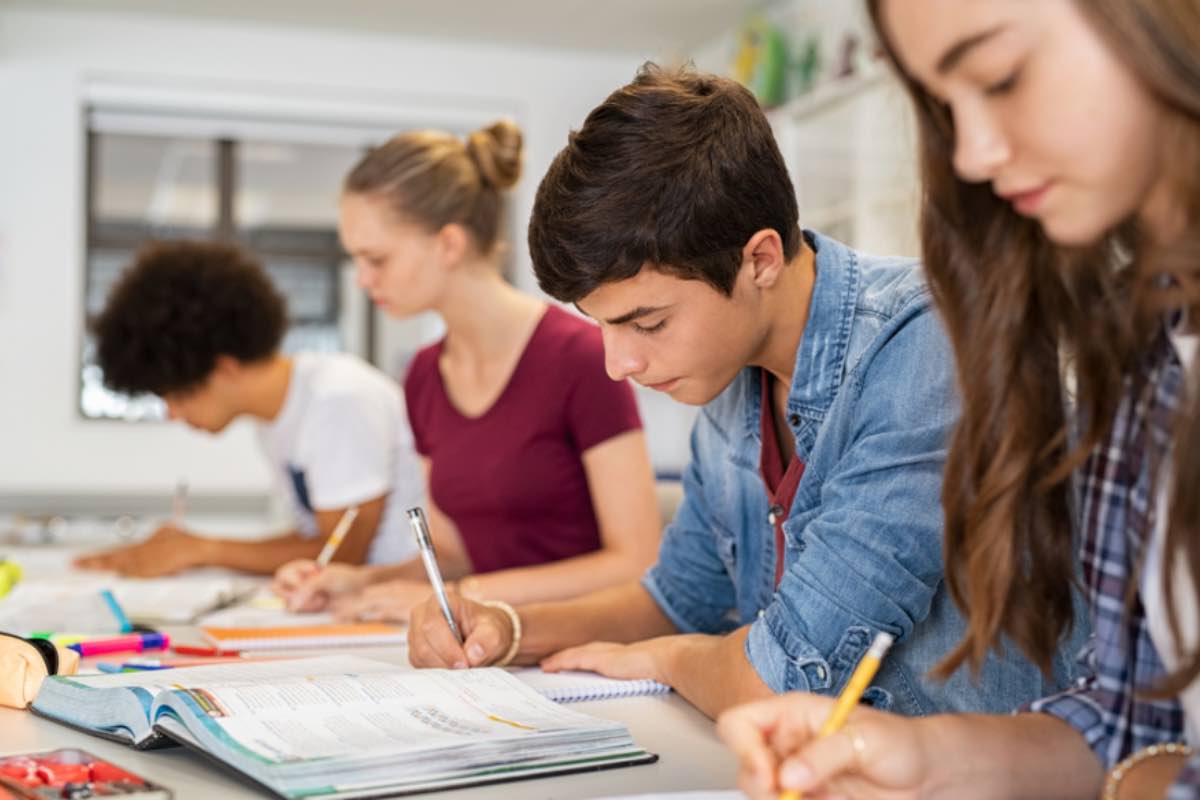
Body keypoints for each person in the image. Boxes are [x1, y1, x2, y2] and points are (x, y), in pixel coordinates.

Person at [405, 65, 1082, 720]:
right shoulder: (732, 377)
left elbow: (787, 677)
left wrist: (673, 661)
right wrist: (508, 627)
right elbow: (677, 600)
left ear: (758, 259)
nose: (618, 363)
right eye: (603, 325)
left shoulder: (926, 346)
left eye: (647, 321)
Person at [716, 1, 1200, 798]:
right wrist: (926, 757)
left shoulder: (911, 343)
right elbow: (1130, 727)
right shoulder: (1146, 347)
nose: (972, 154)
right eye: (945, 106)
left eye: (1001, 76)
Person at [271, 120, 662, 620]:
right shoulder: (424, 376)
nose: (364, 280)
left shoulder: (583, 357)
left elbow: (635, 561)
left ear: (449, 244)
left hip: (585, 646)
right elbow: (454, 556)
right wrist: (360, 582)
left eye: (376, 259)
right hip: (487, 649)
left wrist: (461, 597)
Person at [76, 240, 423, 577]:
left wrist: (202, 549)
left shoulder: (338, 399)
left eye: (177, 396)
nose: (172, 414)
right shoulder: (275, 419)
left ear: (224, 368)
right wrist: (191, 548)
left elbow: (343, 553)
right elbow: (315, 540)